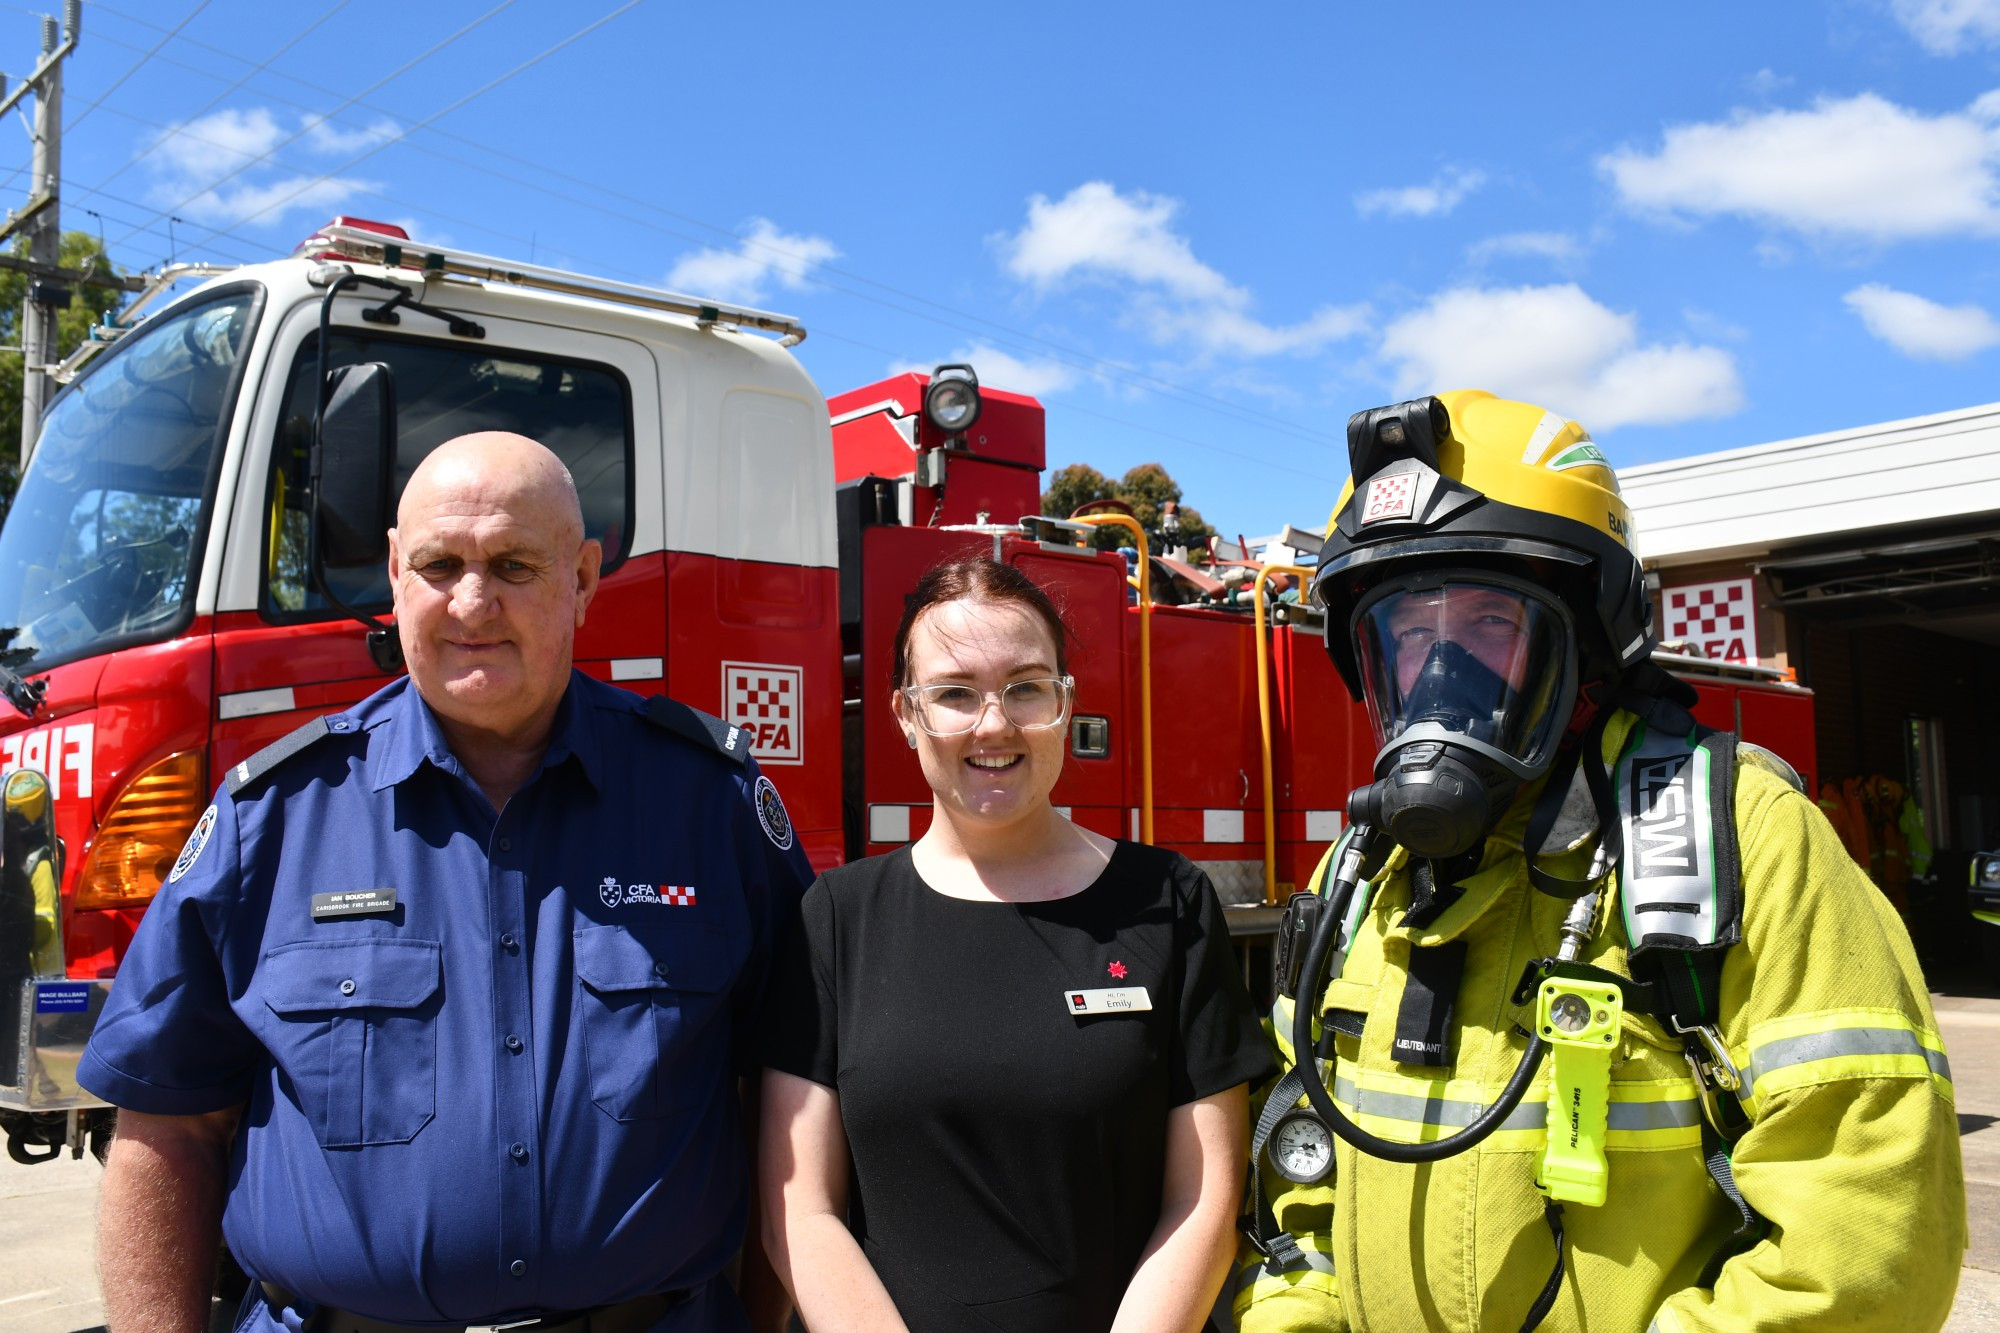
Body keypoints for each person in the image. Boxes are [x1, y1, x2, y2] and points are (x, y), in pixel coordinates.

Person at [1234, 390, 1968, 1333]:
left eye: (1488, 628)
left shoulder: (1736, 835)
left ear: (1588, 640)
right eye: (1411, 636)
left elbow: (1864, 1238)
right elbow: (1301, 1162)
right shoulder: (1359, 875)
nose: (1443, 676)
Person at [79, 432, 812, 1333]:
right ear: (394, 571)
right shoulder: (270, 817)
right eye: (439, 563)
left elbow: (791, 1108)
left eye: (513, 563)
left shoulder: (711, 804)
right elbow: (167, 1129)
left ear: (583, 578)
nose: (473, 601)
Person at [758, 559, 1269, 1332]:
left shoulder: (1169, 902)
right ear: (905, 713)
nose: (993, 723)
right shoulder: (835, 918)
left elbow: (1203, 1198)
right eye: (955, 693)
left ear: (1066, 704)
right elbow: (797, 1210)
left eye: (1026, 687)